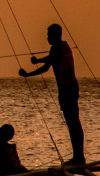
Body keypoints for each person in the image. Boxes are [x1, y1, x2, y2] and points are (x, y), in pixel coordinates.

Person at [19, 24, 85, 166]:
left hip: (67, 89)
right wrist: (37, 61)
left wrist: (27, 74)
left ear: (55, 35)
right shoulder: (63, 46)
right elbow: (51, 58)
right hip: (72, 87)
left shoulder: (56, 47)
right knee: (75, 121)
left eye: (49, 34)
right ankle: (79, 156)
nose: (47, 37)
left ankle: (78, 157)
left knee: (72, 122)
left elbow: (46, 66)